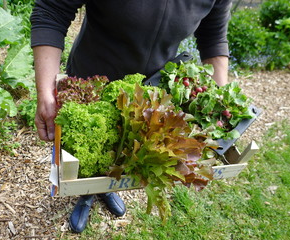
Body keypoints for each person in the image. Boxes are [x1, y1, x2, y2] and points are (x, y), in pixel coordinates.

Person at [30, 0, 232, 233]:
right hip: (93, 85)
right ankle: (86, 193)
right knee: (87, 156)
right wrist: (45, 92)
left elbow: (214, 37)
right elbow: (52, 9)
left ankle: (105, 187)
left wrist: (218, 105)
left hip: (148, 95)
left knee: (122, 153)